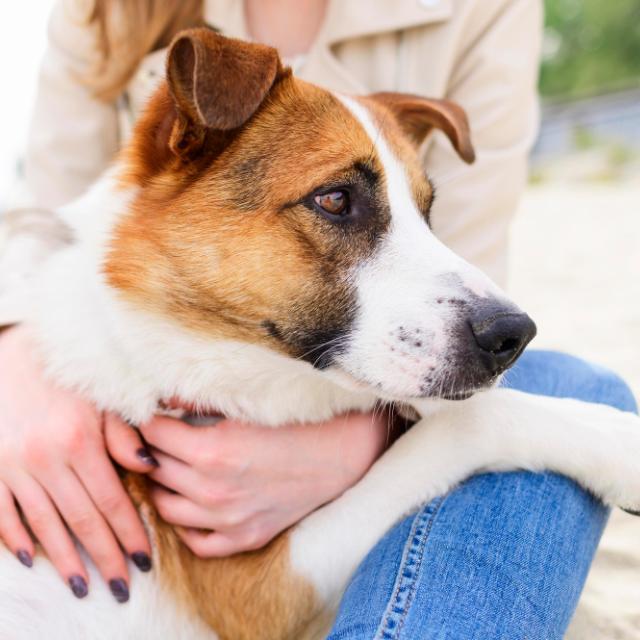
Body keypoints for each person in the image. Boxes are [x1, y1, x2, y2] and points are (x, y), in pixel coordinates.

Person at [0, 0, 636, 637]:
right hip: (83, 354)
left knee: (572, 386)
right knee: (555, 405)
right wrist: (12, 349)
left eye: (417, 213)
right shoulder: (112, 19)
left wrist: (360, 446)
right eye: (338, 203)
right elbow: (48, 216)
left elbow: (465, 257)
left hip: (341, 399)